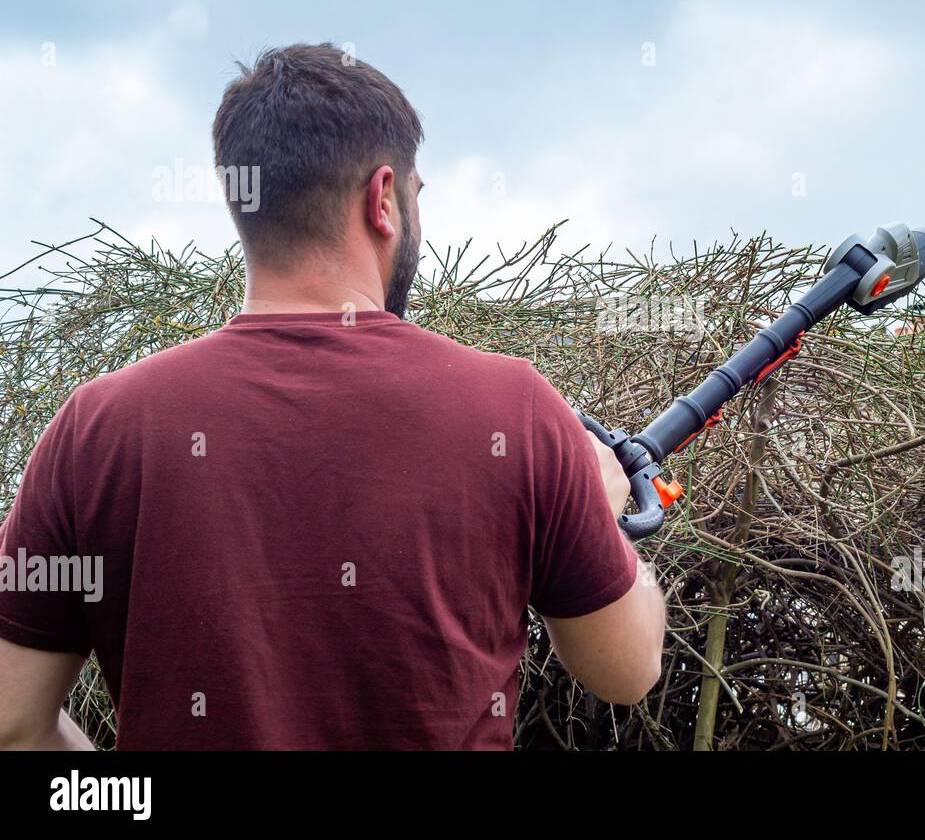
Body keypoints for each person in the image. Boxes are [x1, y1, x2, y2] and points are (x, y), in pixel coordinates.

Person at [0, 43, 665, 750]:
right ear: (382, 199)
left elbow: (12, 720)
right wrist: (601, 506)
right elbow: (626, 671)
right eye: (416, 195)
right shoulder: (518, 409)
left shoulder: (98, 426)